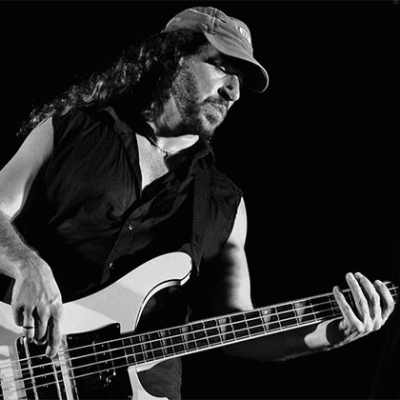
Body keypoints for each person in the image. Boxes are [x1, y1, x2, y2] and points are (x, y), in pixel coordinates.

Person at [0, 6, 395, 400]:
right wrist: (27, 264)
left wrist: (331, 332)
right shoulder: (71, 131)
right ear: (172, 57)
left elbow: (237, 328)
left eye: (240, 80)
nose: (233, 90)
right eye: (222, 66)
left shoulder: (224, 202)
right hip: (17, 360)